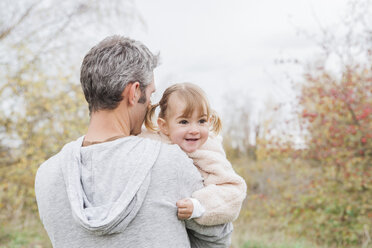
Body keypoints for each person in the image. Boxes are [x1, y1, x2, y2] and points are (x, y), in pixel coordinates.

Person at [35, 35, 232, 248]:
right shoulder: (169, 161)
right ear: (134, 92)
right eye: (150, 95)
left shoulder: (47, 175)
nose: (150, 106)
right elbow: (217, 238)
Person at [141, 83, 247, 226]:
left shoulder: (209, 151)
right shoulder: (151, 142)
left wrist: (199, 205)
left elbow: (233, 191)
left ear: (209, 122)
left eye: (201, 121)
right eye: (184, 122)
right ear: (164, 126)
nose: (194, 130)